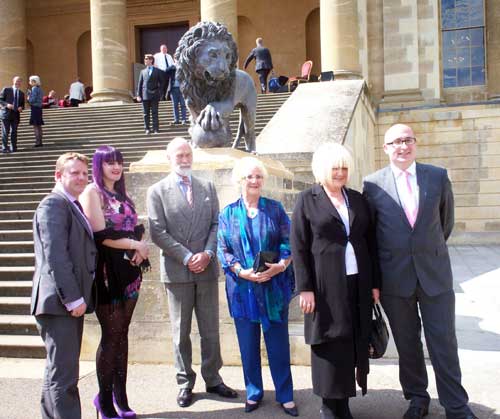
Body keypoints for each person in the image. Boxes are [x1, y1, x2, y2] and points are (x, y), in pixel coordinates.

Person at [363, 124, 477, 419]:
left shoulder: (437, 177)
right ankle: (417, 399)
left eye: (408, 140)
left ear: (415, 143)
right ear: (386, 148)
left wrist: (428, 250)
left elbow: (445, 222)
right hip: (395, 279)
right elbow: (371, 235)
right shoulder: (372, 185)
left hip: (434, 276)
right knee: (408, 344)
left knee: (444, 342)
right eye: (396, 142)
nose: (403, 146)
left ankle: (456, 406)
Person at [290, 143, 379, 419]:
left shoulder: (357, 198)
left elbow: (370, 241)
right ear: (321, 170)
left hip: (358, 283)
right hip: (324, 286)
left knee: (353, 341)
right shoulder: (308, 199)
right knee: (330, 342)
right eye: (335, 168)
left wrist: (375, 283)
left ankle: (345, 403)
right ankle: (330, 405)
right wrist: (305, 288)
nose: (340, 173)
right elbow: (299, 246)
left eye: (344, 168)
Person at [147, 137, 237, 408]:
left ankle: (213, 378)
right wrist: (187, 257)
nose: (185, 160)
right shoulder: (157, 191)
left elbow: (215, 224)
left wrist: (208, 254)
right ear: (169, 158)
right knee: (180, 331)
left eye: (188, 155)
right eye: (179, 156)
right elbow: (157, 232)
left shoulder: (207, 187)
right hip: (177, 271)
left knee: (210, 329)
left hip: (206, 269)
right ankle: (185, 382)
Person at [217, 157, 298, 416]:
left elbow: (288, 242)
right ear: (240, 180)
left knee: (278, 345)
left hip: (273, 289)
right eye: (249, 177)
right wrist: (242, 271)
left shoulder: (275, 209)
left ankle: (285, 395)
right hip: (243, 291)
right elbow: (223, 249)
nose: (254, 181)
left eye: (258, 177)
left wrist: (280, 266)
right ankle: (253, 393)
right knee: (248, 346)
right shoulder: (228, 213)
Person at [80, 145, 149, 419]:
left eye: (119, 162)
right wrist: (134, 243)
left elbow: (134, 227)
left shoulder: (122, 193)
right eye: (109, 163)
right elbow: (101, 234)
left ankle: (121, 397)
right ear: (99, 166)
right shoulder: (92, 192)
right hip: (107, 273)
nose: (116, 167)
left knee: (123, 335)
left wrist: (139, 246)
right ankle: (104, 400)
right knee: (111, 335)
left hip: (130, 270)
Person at [31, 152, 97, 419]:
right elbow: (55, 256)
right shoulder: (54, 205)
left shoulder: (71, 203)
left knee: (56, 372)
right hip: (59, 303)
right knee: (65, 377)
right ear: (59, 176)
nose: (81, 178)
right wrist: (73, 298)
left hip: (60, 303)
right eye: (74, 173)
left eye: (84, 173)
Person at [136, 54, 163, 135]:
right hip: (145, 95)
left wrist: (160, 92)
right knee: (145, 113)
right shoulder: (142, 72)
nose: (145, 60)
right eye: (145, 59)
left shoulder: (157, 71)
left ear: (151, 60)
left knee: (155, 112)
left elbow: (162, 82)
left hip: (155, 94)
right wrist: (138, 95)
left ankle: (155, 129)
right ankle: (147, 128)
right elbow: (140, 84)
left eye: (147, 59)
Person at [0, 76, 25, 153]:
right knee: (5, 131)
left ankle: (13, 147)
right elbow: (0, 100)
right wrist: (7, 105)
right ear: (13, 81)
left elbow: (22, 105)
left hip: (15, 115)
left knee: (14, 131)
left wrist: (21, 107)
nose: (18, 82)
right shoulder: (6, 89)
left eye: (19, 81)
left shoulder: (21, 93)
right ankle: (4, 148)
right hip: (6, 114)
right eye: (17, 81)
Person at [28, 75, 44, 147]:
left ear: (34, 81)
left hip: (34, 108)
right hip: (39, 108)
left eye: (30, 81)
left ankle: (37, 142)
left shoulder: (34, 88)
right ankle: (40, 141)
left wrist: (28, 98)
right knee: (39, 126)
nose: (29, 82)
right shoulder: (40, 89)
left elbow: (32, 100)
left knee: (35, 126)